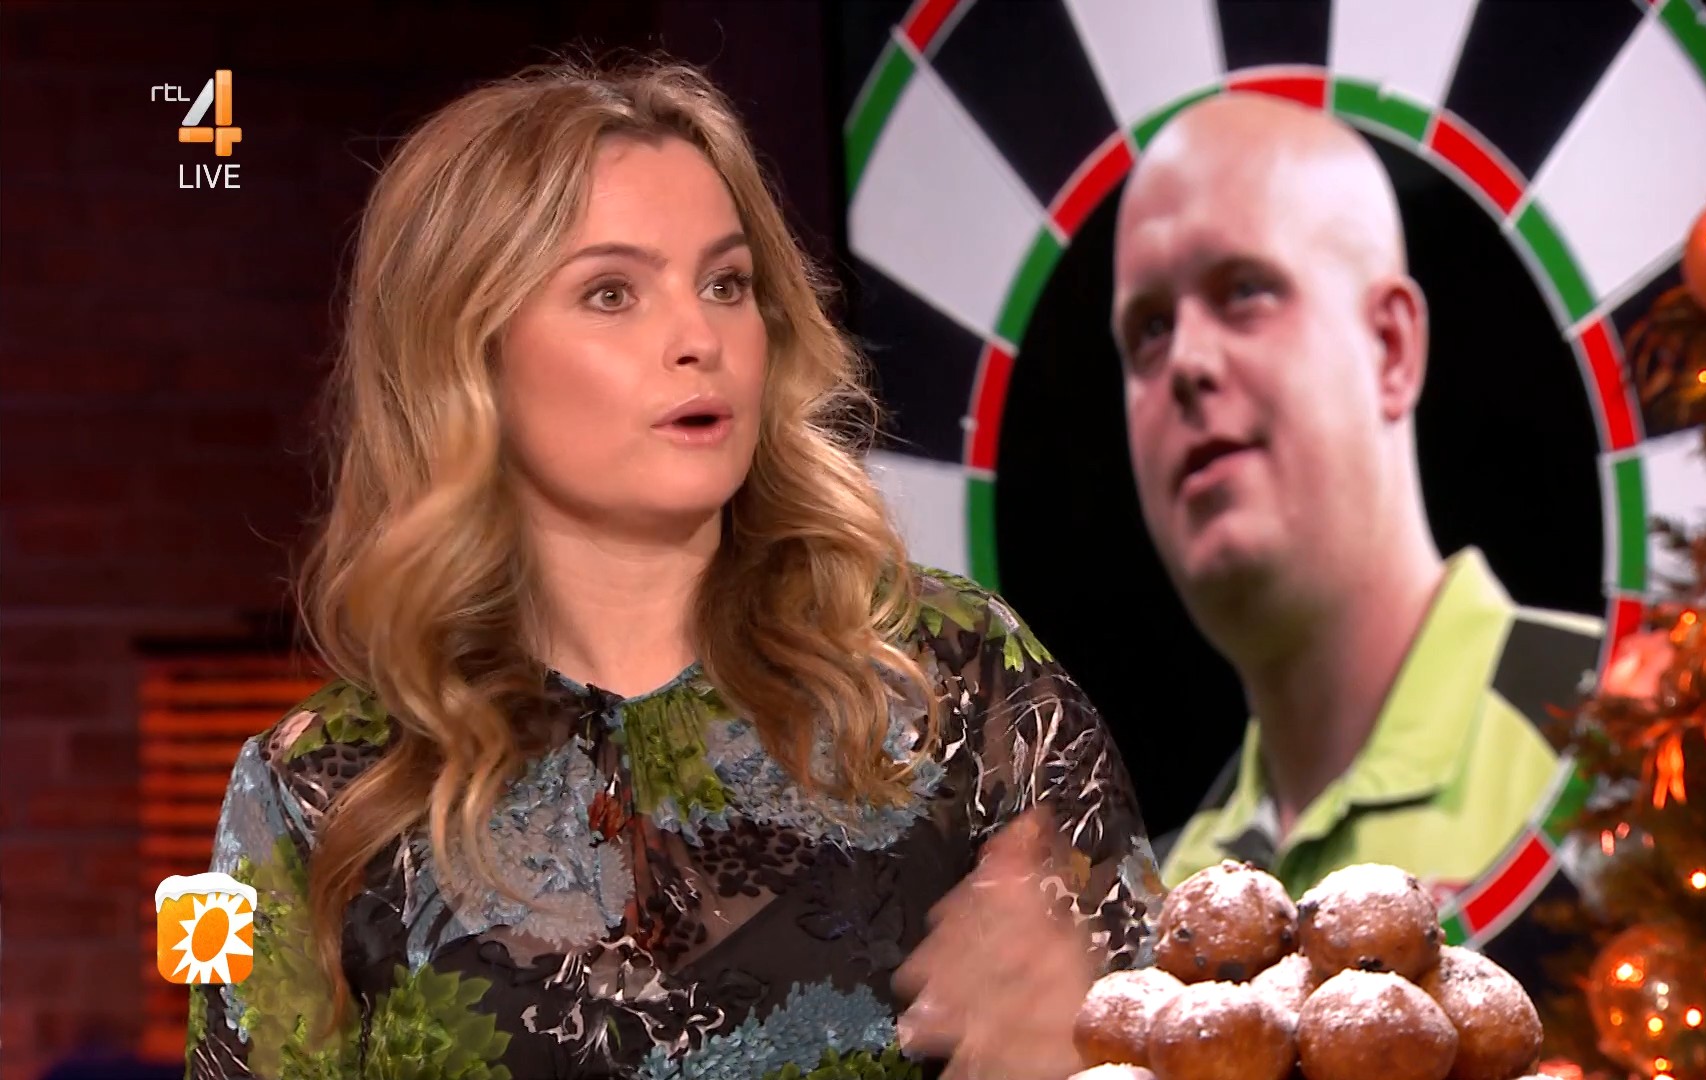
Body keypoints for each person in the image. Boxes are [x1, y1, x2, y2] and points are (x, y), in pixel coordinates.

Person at [184, 58, 1159, 1080]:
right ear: (467, 359)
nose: (700, 338)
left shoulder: (955, 684)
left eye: (727, 285)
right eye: (612, 293)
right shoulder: (315, 796)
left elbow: (1175, 1037)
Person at [1110, 94, 1600, 951]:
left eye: (1245, 290)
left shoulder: (1619, 734)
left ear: (1390, 348)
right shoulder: (1157, 917)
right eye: (1149, 328)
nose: (1185, 360)